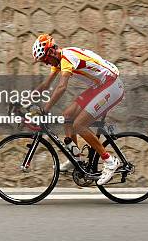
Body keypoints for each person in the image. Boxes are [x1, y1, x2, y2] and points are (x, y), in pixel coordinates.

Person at [32, 34, 124, 185]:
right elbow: (46, 85)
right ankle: (76, 158)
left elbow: (61, 87)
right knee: (67, 115)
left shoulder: (67, 57)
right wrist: (25, 101)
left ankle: (109, 161)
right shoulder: (59, 60)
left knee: (79, 125)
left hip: (111, 85)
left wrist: (45, 109)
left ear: (50, 53)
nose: (46, 63)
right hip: (100, 86)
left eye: (45, 60)